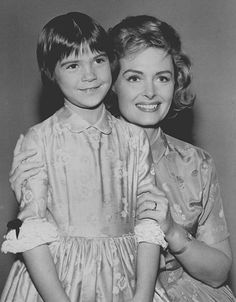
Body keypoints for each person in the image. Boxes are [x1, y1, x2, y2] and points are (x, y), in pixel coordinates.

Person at [10, 14, 236, 301]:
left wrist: (173, 231)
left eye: (163, 78)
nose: (151, 92)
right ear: (112, 82)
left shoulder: (197, 163)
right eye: (134, 77)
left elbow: (219, 273)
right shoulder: (57, 146)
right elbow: (30, 233)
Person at [0, 12, 168, 302]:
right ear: (52, 72)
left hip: (127, 282)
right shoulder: (38, 140)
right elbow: (31, 230)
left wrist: (143, 295)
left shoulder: (134, 138)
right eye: (73, 64)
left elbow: (149, 221)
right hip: (56, 284)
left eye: (99, 60)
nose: (89, 75)